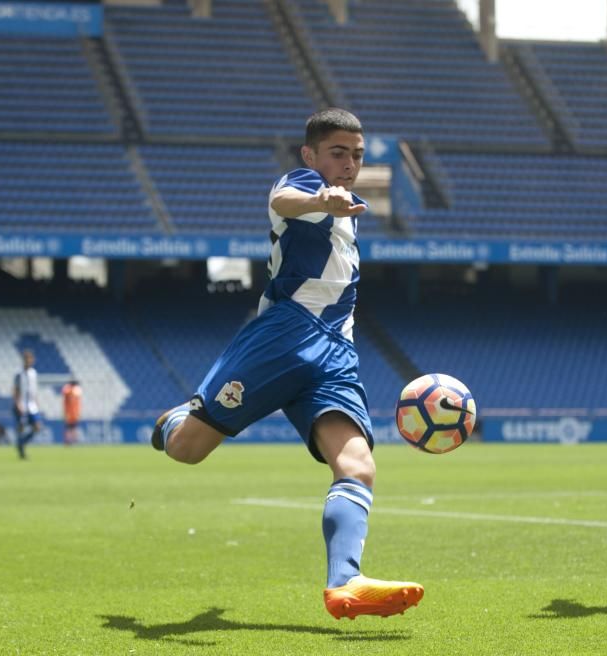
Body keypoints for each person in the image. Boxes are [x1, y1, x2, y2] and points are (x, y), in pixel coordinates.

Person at [149, 108, 423, 620]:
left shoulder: (347, 216)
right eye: (337, 153)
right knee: (188, 450)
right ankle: (171, 422)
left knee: (359, 466)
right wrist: (321, 196)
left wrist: (335, 204)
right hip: (284, 337)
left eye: (357, 155)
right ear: (311, 155)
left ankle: (346, 582)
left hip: (337, 353)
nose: (348, 164)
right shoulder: (304, 187)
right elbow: (282, 200)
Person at [13, 349, 42, 460]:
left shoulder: (33, 373)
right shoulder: (19, 374)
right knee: (20, 428)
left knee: (37, 427)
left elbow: (34, 390)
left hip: (32, 405)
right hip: (22, 404)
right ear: (23, 360)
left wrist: (37, 402)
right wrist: (17, 403)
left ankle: (21, 443)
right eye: (26, 359)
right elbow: (15, 390)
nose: (29, 361)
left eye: (30, 359)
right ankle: (21, 450)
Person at [62, 378, 83, 445]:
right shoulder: (72, 391)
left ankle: (70, 440)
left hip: (71, 413)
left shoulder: (69, 391)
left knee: (71, 427)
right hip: (71, 413)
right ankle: (70, 440)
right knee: (71, 427)